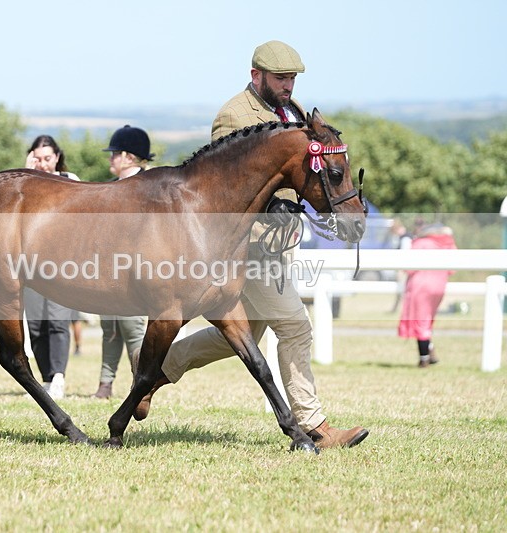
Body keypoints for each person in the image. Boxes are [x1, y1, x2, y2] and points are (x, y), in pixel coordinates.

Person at [131, 41, 369, 449]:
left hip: (279, 244)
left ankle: (152, 370)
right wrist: (270, 212)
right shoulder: (235, 116)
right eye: (281, 78)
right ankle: (316, 426)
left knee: (241, 334)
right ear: (256, 74)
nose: (288, 85)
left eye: (292, 78)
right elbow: (224, 184)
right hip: (248, 247)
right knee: (295, 327)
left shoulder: (293, 114)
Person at [92, 125, 151, 399]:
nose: (110, 158)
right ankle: (105, 385)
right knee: (110, 328)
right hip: (109, 270)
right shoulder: (111, 188)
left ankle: (140, 386)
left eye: (114, 153)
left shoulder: (148, 187)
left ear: (128, 156)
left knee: (133, 328)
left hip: (135, 272)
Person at [23, 135, 79, 399]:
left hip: (62, 265)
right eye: (38, 158)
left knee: (58, 321)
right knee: (35, 325)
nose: (43, 164)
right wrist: (27, 174)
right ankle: (46, 379)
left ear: (57, 157)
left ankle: (58, 377)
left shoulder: (72, 181)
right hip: (31, 266)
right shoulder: (27, 184)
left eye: (47, 158)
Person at [398, 222, 457, 367]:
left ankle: (424, 358)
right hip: (439, 286)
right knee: (427, 320)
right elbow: (452, 269)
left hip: (420, 286)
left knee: (420, 322)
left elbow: (409, 268)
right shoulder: (448, 244)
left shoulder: (420, 243)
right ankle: (430, 351)